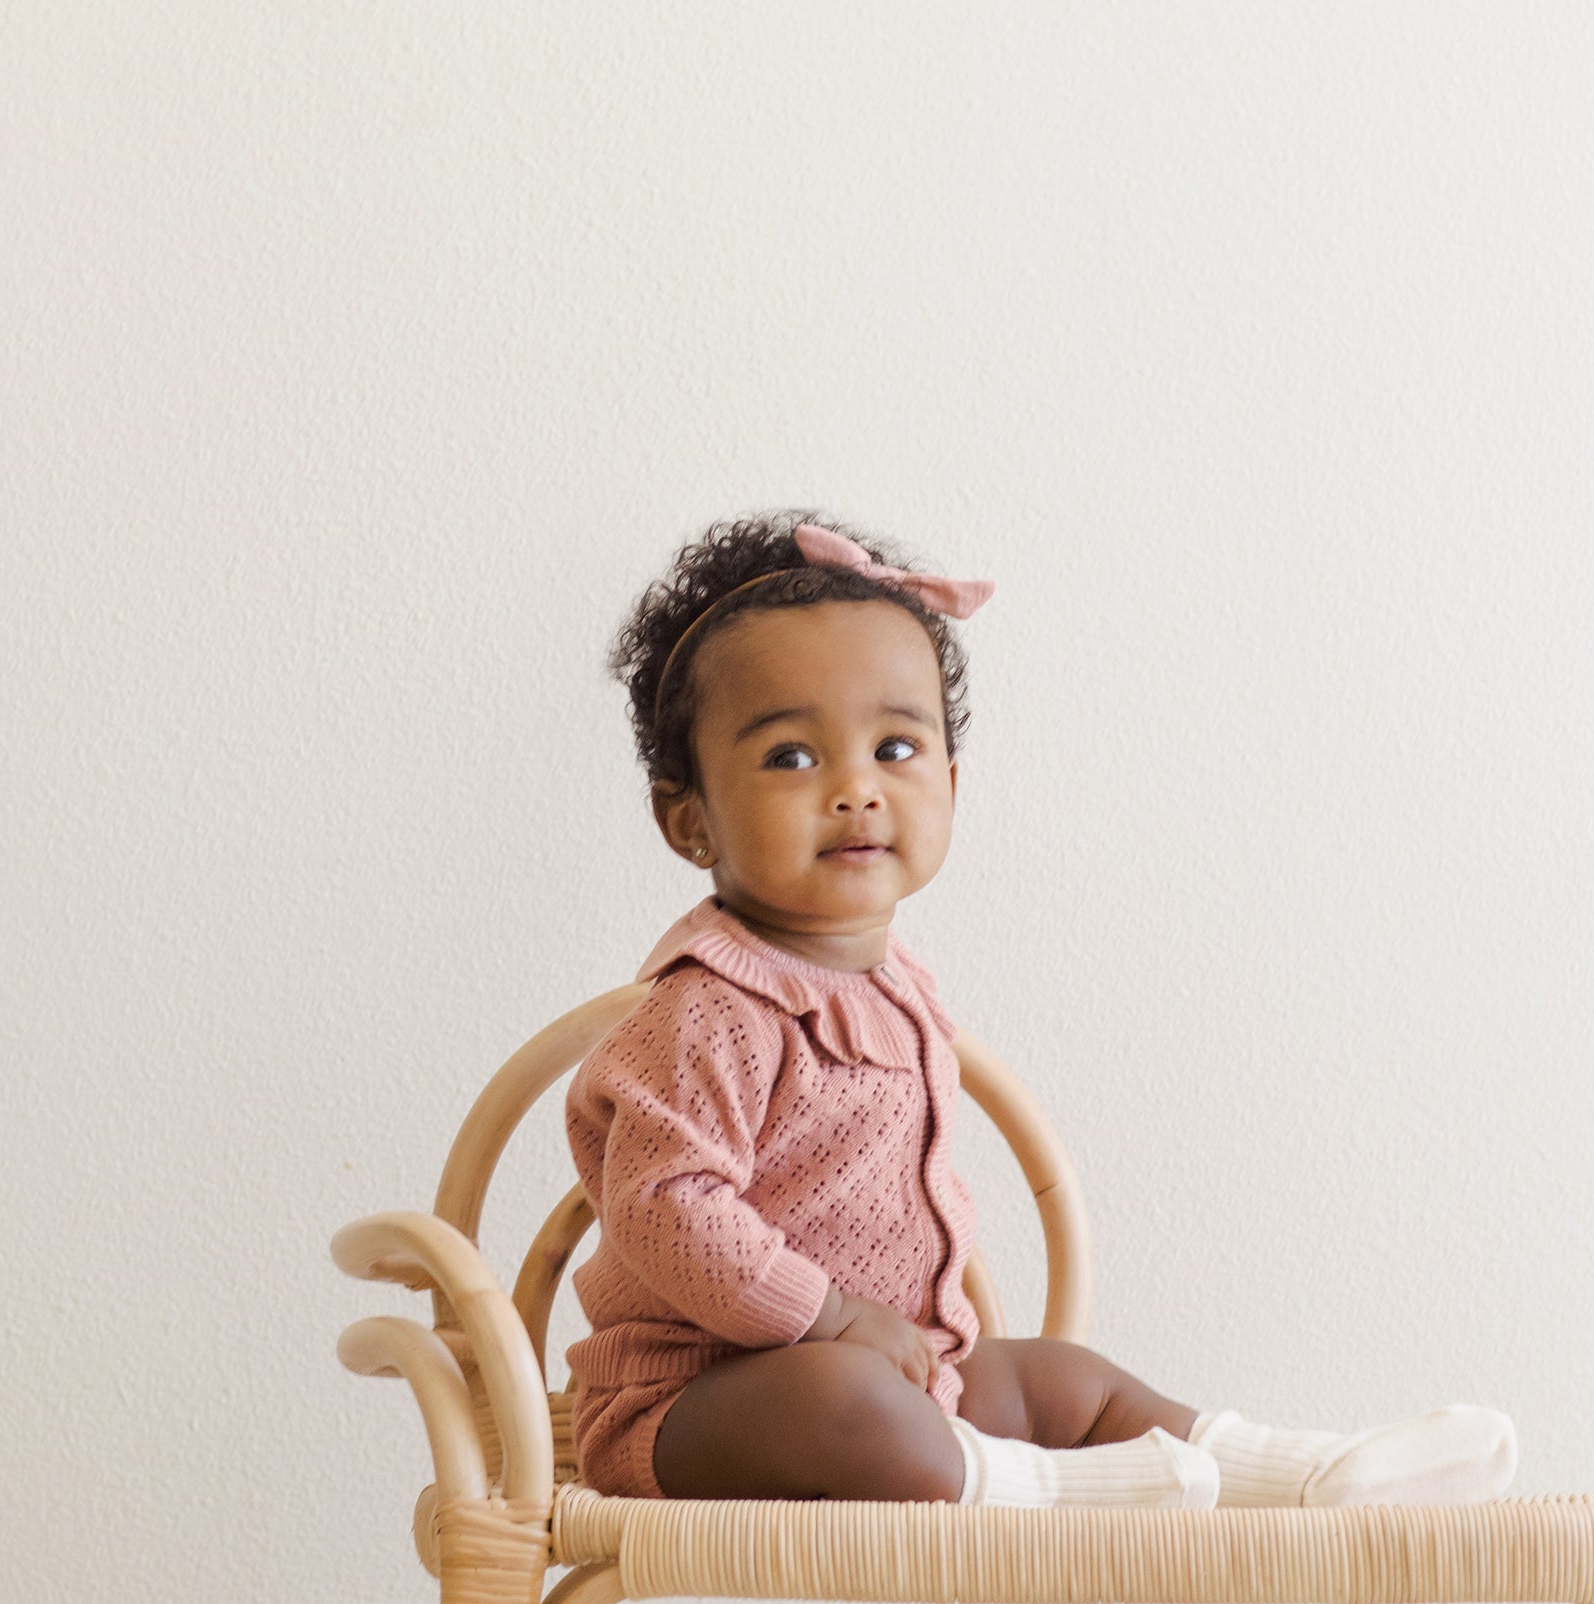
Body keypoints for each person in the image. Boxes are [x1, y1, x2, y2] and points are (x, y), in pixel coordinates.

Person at [565, 513, 1517, 1514]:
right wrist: (831, 1316)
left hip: (899, 1368)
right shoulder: (709, 1009)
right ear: (689, 818)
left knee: (1066, 1377)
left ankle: (1293, 1471)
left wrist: (895, 1340)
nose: (855, 789)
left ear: (950, 785)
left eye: (894, 747)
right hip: (695, 1407)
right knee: (837, 1398)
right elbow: (665, 1210)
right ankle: (1054, 1490)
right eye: (791, 760)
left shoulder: (898, 987)